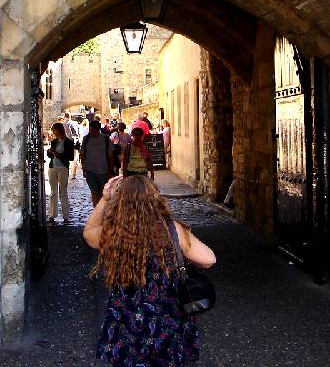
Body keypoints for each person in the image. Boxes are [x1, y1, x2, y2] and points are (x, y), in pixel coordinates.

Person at [84, 175, 216, 366]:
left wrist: (104, 199)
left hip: (125, 319)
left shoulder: (114, 232)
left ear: (120, 201)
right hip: (166, 319)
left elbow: (89, 233)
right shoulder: (173, 230)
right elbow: (209, 260)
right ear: (156, 198)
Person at [80, 120, 113, 206]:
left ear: (98, 129)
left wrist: (110, 170)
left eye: (94, 130)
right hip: (90, 170)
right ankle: (96, 209)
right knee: (94, 192)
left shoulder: (105, 139)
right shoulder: (86, 139)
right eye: (90, 130)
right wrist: (84, 167)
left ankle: (101, 209)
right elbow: (82, 154)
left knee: (102, 192)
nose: (92, 132)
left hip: (103, 170)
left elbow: (110, 155)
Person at [46, 122, 74, 224]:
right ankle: (52, 215)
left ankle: (66, 216)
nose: (53, 132)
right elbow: (50, 156)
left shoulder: (68, 142)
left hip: (63, 168)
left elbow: (70, 157)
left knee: (63, 192)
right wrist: (50, 152)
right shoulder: (54, 141)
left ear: (59, 130)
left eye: (54, 130)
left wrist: (58, 154)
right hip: (53, 167)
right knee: (53, 192)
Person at [63, 112, 80, 178]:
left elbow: (66, 134)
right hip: (75, 143)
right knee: (74, 159)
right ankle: (73, 174)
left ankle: (67, 173)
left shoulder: (64, 124)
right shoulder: (75, 123)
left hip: (67, 143)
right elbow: (78, 133)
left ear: (64, 116)